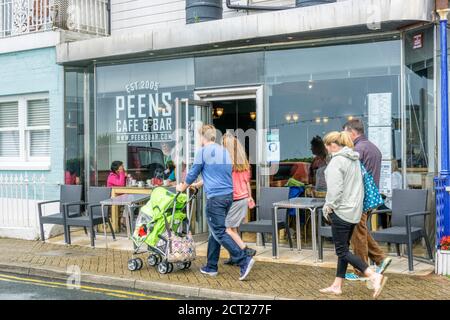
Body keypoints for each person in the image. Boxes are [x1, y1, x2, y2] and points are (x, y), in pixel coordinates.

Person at [176, 124, 255, 281]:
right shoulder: (224, 152)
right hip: (228, 197)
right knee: (214, 232)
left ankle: (243, 259)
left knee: (219, 231)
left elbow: (193, 173)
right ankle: (211, 266)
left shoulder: (203, 152)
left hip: (216, 199)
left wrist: (182, 186)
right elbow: (218, 174)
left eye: (198, 137)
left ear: (202, 137)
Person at [319, 131, 387, 298]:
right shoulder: (354, 160)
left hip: (341, 212)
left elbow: (335, 191)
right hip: (353, 212)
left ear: (332, 145)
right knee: (344, 249)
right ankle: (337, 285)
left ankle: (372, 275)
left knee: (342, 251)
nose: (326, 149)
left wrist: (329, 208)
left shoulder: (336, 162)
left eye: (326, 146)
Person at [343, 119, 392, 280]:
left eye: (345, 133)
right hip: (370, 197)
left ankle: (361, 270)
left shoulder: (358, 150)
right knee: (360, 230)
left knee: (358, 234)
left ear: (352, 132)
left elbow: (352, 176)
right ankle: (380, 259)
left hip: (359, 198)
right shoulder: (374, 148)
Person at [221, 133, 256, 265]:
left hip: (234, 199)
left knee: (226, 229)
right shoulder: (244, 163)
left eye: (223, 145)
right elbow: (247, 182)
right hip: (242, 199)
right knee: (234, 229)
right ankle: (234, 257)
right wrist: (250, 196)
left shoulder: (228, 163)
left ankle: (245, 250)